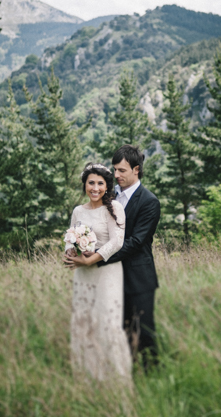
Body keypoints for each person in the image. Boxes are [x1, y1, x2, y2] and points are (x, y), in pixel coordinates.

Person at [63, 163, 132, 382]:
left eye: (100, 183)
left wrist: (92, 259)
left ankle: (115, 378)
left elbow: (117, 242)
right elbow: (69, 238)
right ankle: (87, 376)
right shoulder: (78, 211)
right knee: (84, 321)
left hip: (107, 272)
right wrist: (70, 252)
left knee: (107, 322)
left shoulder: (114, 208)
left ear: (107, 186)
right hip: (83, 275)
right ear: (84, 184)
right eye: (91, 183)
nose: (95, 188)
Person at [99, 144, 161, 369]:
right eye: (114, 170)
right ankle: (126, 371)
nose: (116, 175)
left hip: (139, 278)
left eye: (122, 170)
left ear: (136, 169)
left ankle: (153, 373)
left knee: (144, 331)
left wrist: (99, 257)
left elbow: (136, 242)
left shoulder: (149, 202)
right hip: (112, 277)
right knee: (120, 329)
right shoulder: (109, 196)